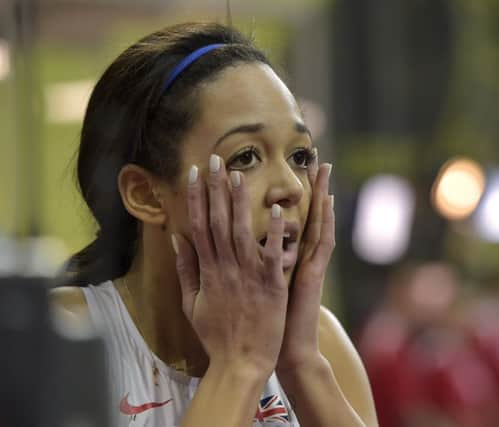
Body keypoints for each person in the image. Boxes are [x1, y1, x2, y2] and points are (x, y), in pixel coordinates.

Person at [50, 22, 377, 427]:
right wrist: (240, 365)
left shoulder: (319, 345)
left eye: (300, 157)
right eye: (246, 157)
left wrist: (301, 365)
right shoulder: (60, 336)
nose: (291, 188)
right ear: (145, 194)